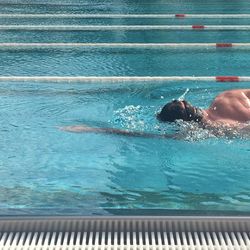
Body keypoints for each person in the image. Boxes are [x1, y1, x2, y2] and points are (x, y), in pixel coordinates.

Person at [61, 89, 250, 138]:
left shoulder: (200, 133)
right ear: (183, 100)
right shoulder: (227, 97)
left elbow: (139, 135)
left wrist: (94, 129)